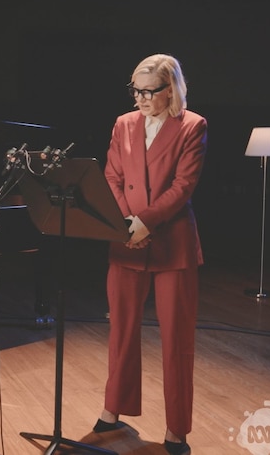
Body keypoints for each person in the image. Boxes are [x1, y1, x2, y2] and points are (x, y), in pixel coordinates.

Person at [93, 54, 207, 455]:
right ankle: (113, 409)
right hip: (125, 239)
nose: (141, 98)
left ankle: (177, 430)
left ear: (170, 89)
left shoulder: (192, 125)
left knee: (177, 339)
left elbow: (183, 185)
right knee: (121, 330)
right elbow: (111, 176)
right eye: (136, 90)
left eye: (149, 91)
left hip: (171, 242)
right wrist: (127, 224)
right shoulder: (124, 123)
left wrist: (144, 223)